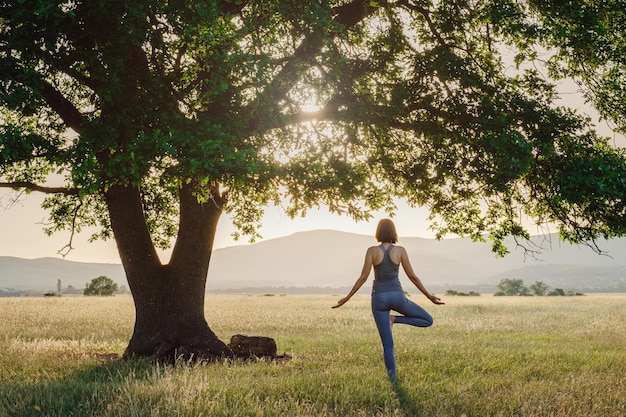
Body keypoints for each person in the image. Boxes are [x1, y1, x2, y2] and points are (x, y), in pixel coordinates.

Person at [332, 218, 444, 383]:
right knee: (427, 320)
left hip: (378, 298)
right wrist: (429, 296)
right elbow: (413, 277)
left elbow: (363, 277)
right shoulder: (400, 251)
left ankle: (393, 381)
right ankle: (395, 320)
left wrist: (347, 298)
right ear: (394, 232)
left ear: (378, 232)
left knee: (387, 345)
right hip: (397, 296)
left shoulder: (371, 251)